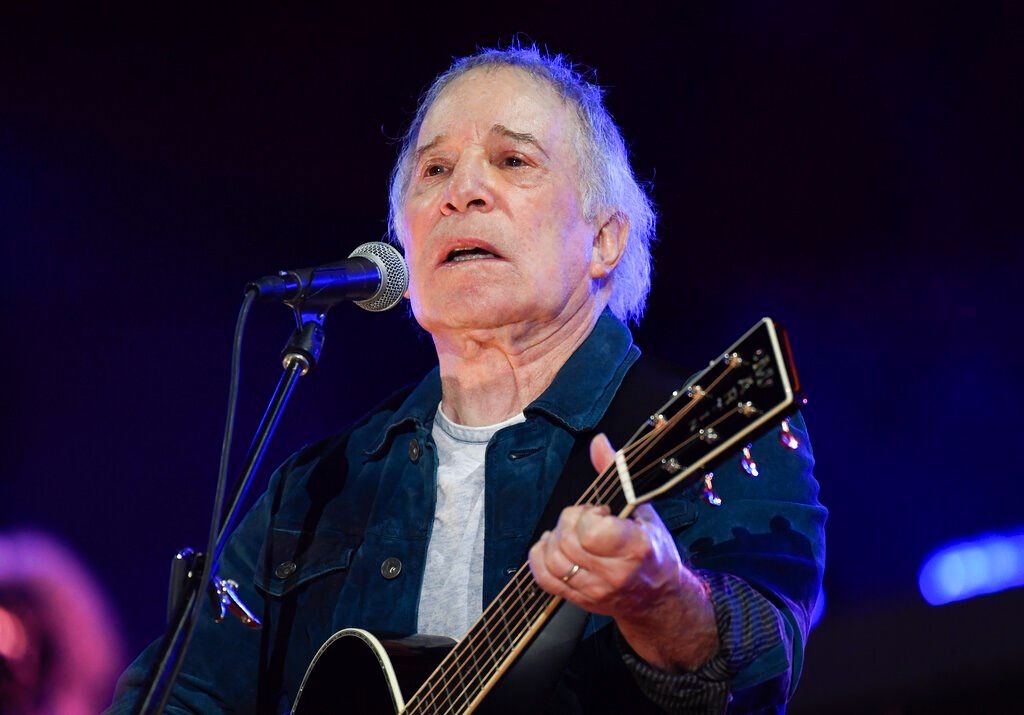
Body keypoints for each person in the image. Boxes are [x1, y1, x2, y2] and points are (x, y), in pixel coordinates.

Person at [109, 45, 826, 713]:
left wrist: (662, 601)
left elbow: (765, 663)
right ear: (404, 249)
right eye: (435, 170)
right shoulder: (316, 488)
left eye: (514, 160)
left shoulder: (703, 422)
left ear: (605, 238)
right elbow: (173, 695)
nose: (465, 192)